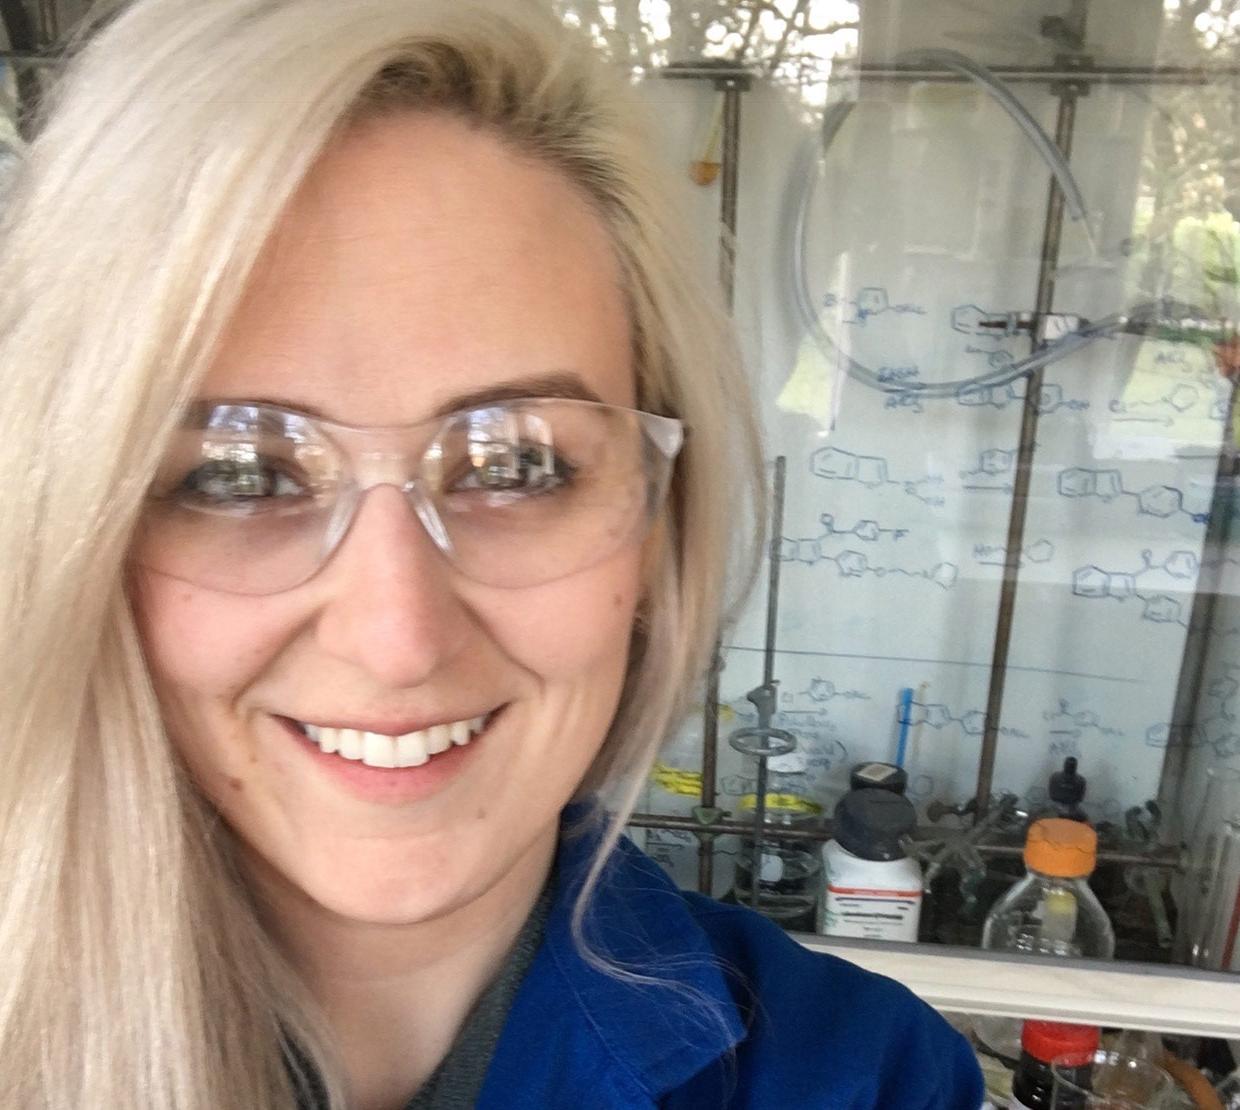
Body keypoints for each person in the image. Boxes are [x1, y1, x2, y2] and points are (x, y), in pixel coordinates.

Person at [0, 0, 985, 1107]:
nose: (396, 638)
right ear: (75, 534)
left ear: (657, 524)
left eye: (515, 466)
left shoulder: (864, 1081)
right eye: (240, 477)